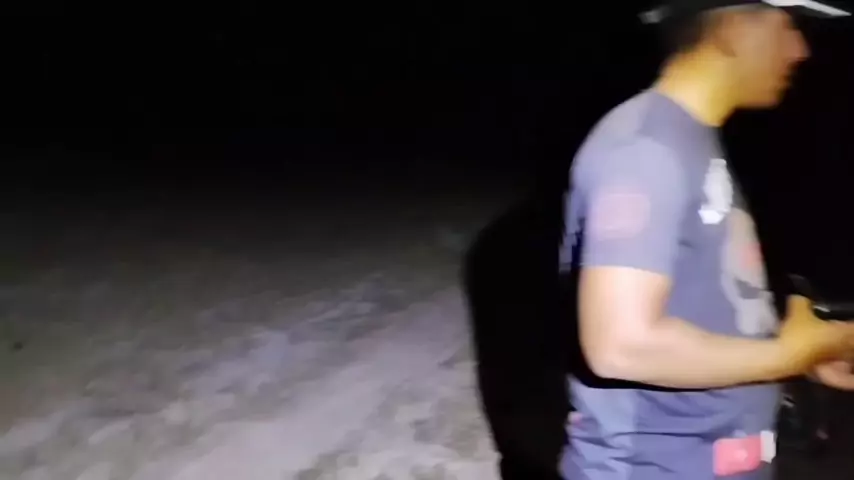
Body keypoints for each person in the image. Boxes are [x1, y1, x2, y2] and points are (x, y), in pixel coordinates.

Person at [559, 0, 854, 479]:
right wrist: (792, 353)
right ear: (732, 28)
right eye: (788, 26)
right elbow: (622, 345)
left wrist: (806, 353)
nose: (800, 49)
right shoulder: (644, 149)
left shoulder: (688, 137)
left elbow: (697, 304)